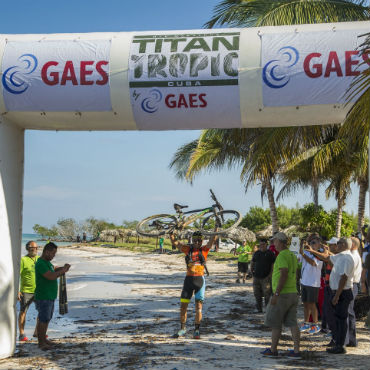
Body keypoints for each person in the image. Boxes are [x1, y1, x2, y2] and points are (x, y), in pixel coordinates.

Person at [170, 230, 218, 339]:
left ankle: (196, 330)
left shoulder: (204, 250)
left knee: (198, 308)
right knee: (183, 307)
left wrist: (216, 230)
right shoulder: (188, 249)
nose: (197, 242)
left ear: (201, 241)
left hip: (199, 281)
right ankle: (182, 329)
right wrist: (171, 234)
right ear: (192, 240)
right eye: (195, 240)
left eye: (199, 240)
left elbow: (211, 241)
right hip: (188, 280)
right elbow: (175, 243)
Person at [262, 232, 300, 359]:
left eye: (275, 241)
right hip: (292, 292)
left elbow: (284, 274)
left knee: (276, 323)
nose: (273, 244)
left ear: (281, 241)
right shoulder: (291, 255)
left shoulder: (282, 255)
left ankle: (273, 350)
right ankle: (296, 351)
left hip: (282, 294)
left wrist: (276, 293)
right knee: (293, 322)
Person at [35, 242, 71, 350]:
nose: (53, 256)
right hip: (43, 295)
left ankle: (44, 339)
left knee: (47, 318)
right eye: (53, 254)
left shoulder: (47, 263)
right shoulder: (40, 263)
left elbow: (53, 270)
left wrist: (62, 268)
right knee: (43, 319)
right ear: (47, 252)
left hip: (49, 295)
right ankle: (41, 342)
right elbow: (50, 276)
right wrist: (63, 270)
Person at [298, 234, 323, 334]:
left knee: (312, 304)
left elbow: (313, 263)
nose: (312, 244)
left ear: (319, 244)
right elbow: (298, 258)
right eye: (310, 242)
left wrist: (304, 254)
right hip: (304, 281)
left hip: (313, 282)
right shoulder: (306, 252)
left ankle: (315, 324)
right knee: (305, 303)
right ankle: (306, 322)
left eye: (314, 243)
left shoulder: (320, 254)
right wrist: (301, 247)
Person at [18, 241, 39, 342]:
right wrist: (17, 290)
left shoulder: (39, 259)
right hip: (26, 291)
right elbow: (17, 275)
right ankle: (22, 334)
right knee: (23, 312)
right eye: (32, 248)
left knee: (42, 312)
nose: (34, 250)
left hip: (39, 290)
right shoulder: (23, 260)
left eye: (36, 248)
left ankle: (37, 332)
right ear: (27, 248)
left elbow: (49, 269)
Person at [345, 237, 362, 347]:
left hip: (351, 285)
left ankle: (348, 339)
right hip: (352, 285)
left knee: (347, 312)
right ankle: (351, 339)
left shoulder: (353, 256)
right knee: (349, 312)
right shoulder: (353, 255)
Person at [251, 238, 275, 313]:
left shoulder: (270, 253)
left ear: (266, 245)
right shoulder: (256, 253)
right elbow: (252, 262)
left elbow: (273, 265)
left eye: (263, 244)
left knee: (267, 294)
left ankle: (267, 309)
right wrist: (251, 271)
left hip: (266, 277)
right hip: (256, 277)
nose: (261, 246)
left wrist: (270, 275)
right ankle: (259, 309)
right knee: (257, 294)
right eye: (260, 244)